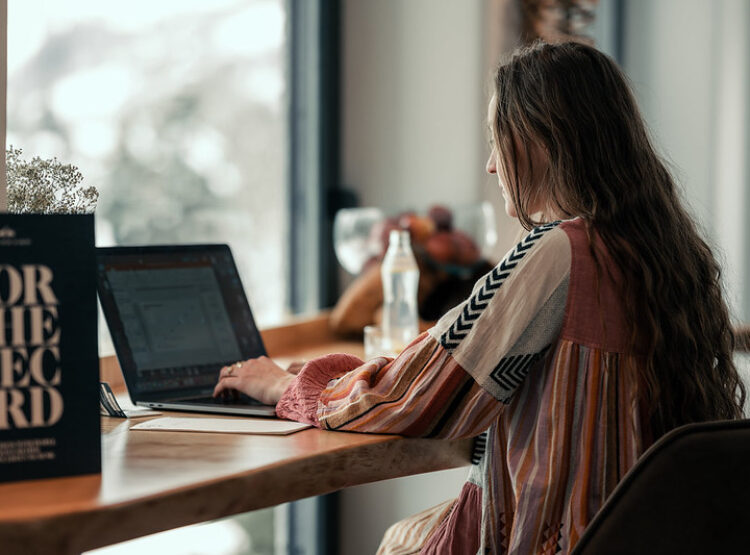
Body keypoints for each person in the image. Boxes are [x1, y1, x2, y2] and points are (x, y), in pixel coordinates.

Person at [213, 41, 746, 554]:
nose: (492, 166)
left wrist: (288, 384)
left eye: (498, 140)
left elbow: (414, 392)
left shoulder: (559, 250)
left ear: (540, 141)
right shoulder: (665, 252)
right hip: (632, 533)